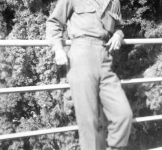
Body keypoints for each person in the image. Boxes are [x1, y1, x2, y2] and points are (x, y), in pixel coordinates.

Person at [46, 0, 133, 150]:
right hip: (81, 55)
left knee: (123, 114)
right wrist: (58, 48)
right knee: (89, 121)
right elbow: (54, 22)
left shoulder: (114, 2)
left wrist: (118, 35)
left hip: (105, 58)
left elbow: (119, 26)